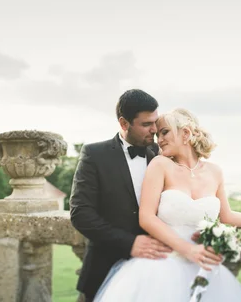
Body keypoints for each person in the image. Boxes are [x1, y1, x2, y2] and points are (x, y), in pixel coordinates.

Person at [94, 108, 241, 301]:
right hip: (162, 266)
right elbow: (146, 217)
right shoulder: (160, 165)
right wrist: (187, 250)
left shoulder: (215, 172)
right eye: (158, 135)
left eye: (165, 132)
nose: (159, 140)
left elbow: (227, 217)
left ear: (185, 134)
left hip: (203, 267)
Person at [69, 89, 172, 301]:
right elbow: (81, 213)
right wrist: (129, 242)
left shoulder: (163, 154)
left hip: (156, 272)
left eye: (155, 122)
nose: (154, 130)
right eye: (146, 124)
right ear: (124, 124)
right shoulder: (94, 155)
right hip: (104, 269)